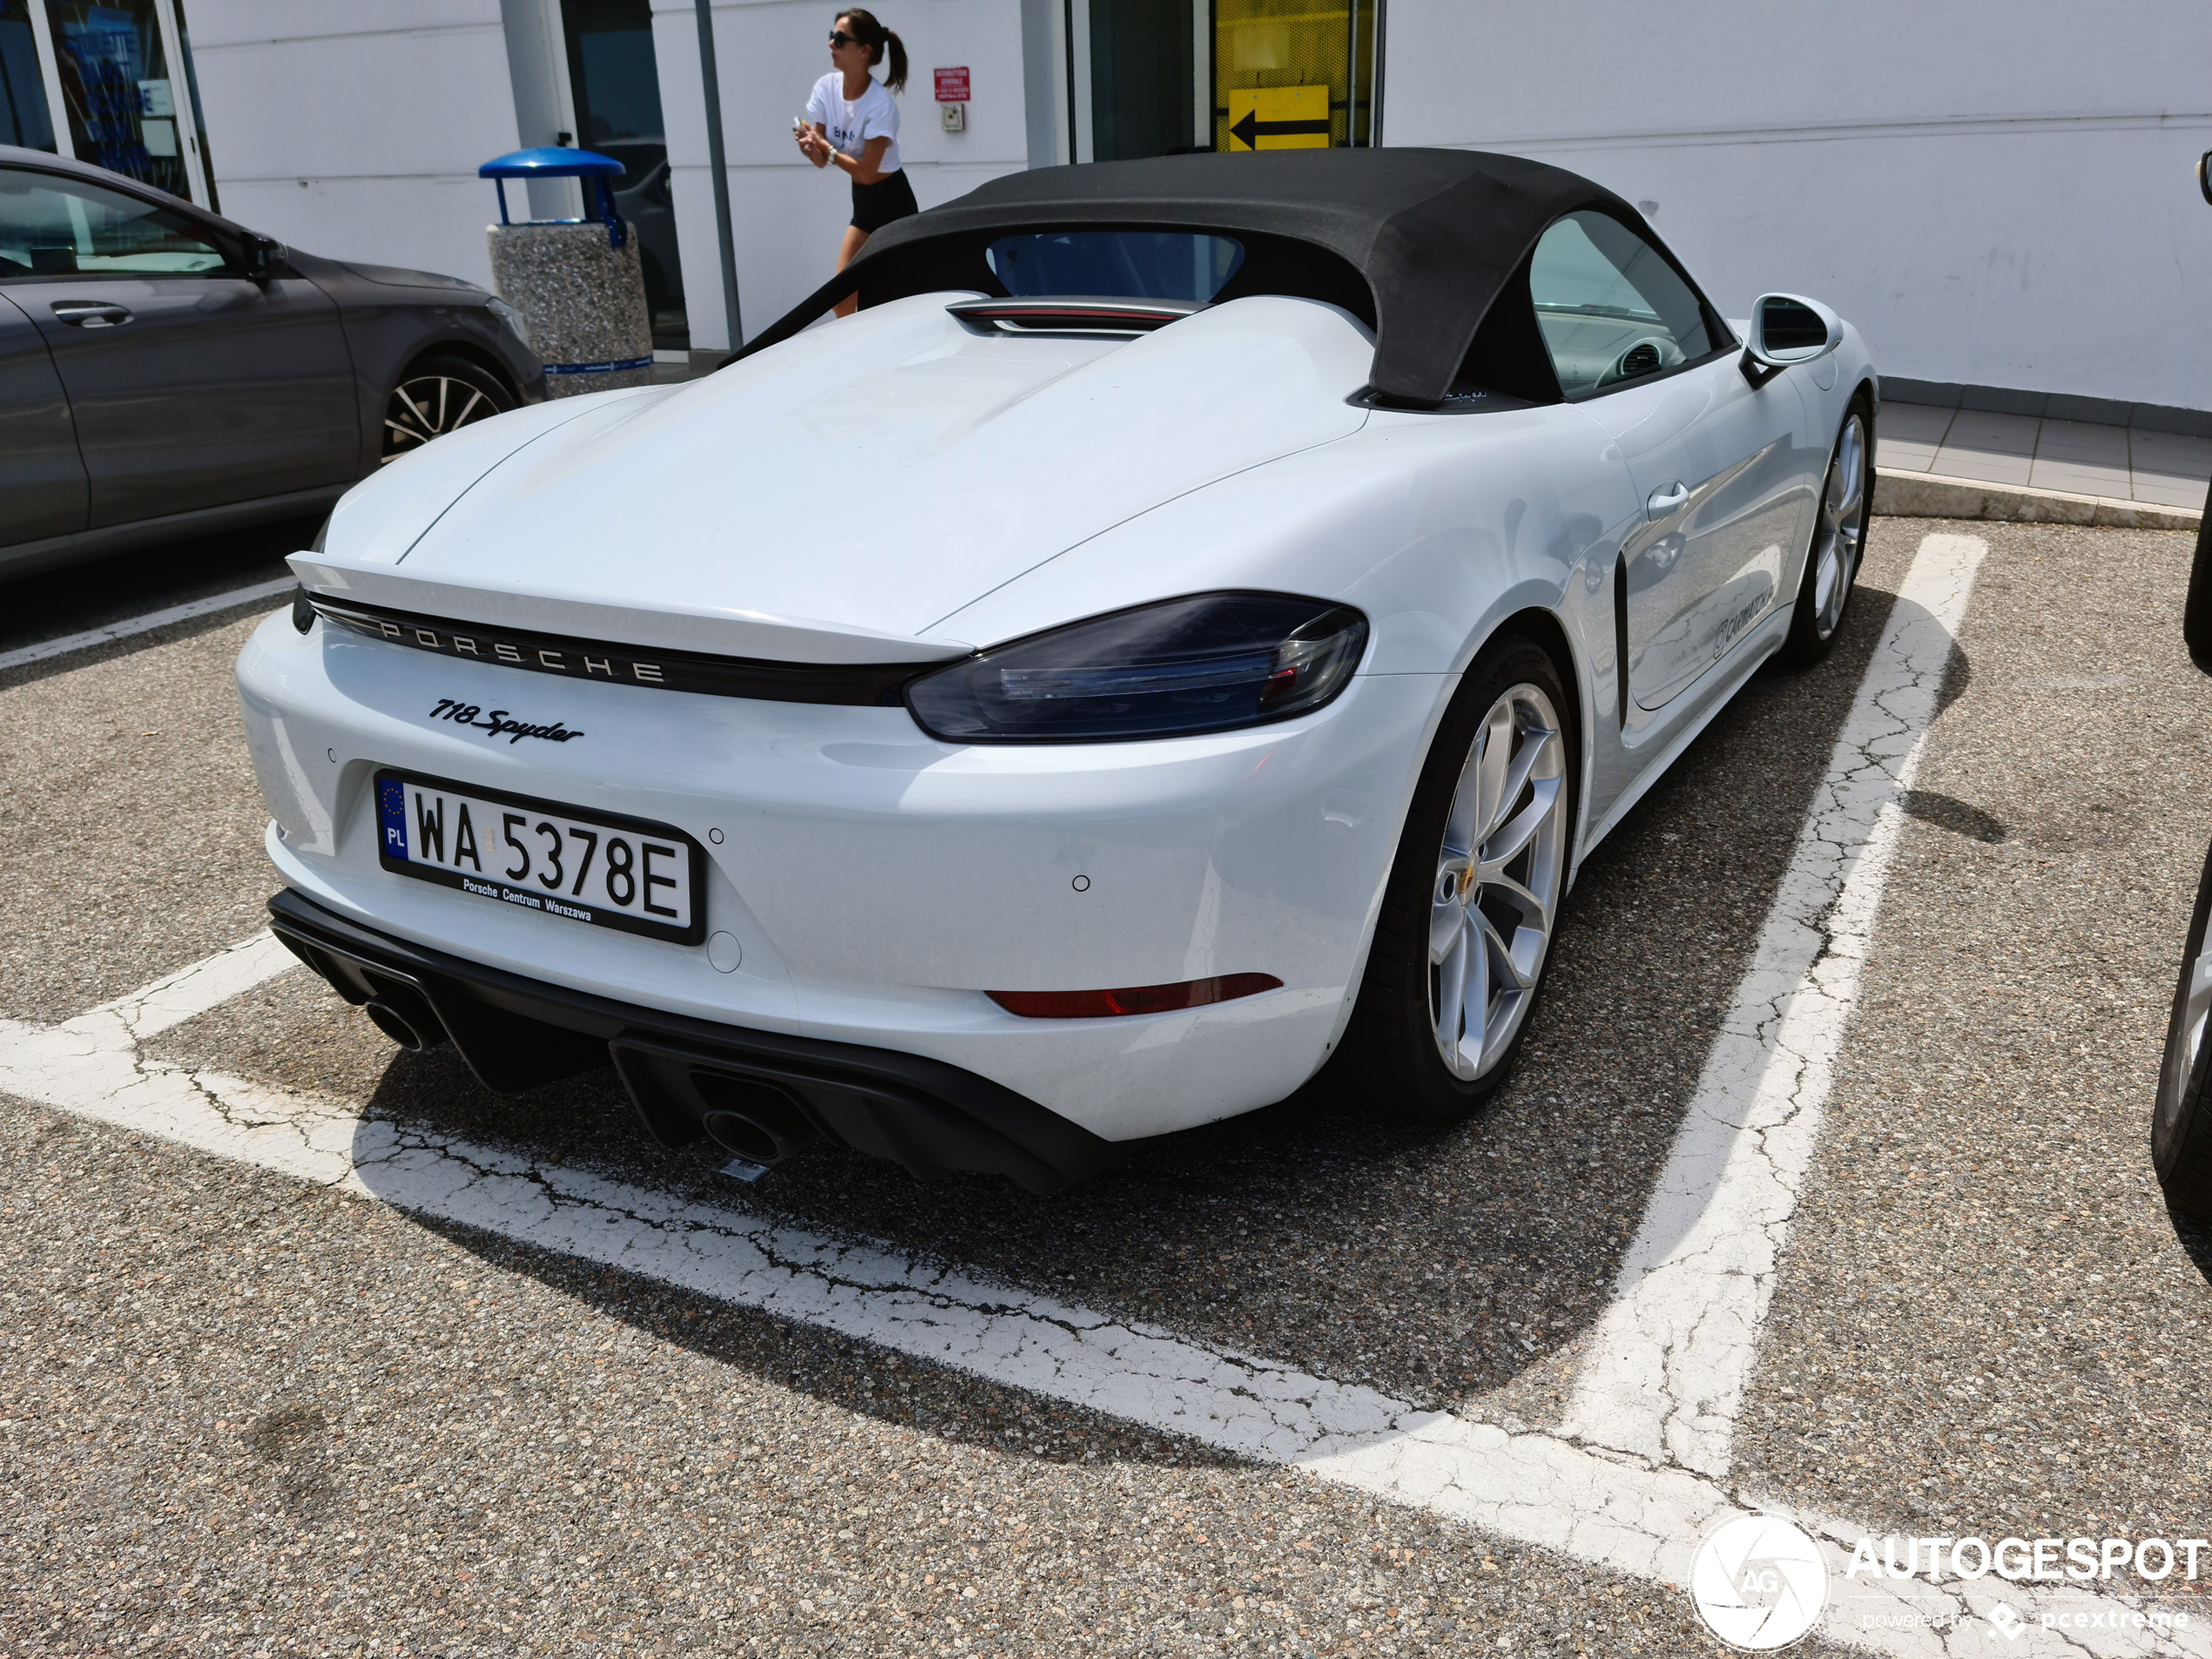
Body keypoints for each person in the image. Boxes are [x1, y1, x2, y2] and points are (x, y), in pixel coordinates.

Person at [796, 10, 914, 317]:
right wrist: (812, 149)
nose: (830, 44)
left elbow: (865, 170)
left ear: (865, 51)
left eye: (839, 39)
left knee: (898, 302)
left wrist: (825, 148)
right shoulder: (826, 88)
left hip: (895, 209)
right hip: (864, 208)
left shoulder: (880, 105)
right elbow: (822, 160)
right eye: (831, 36)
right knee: (842, 298)